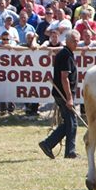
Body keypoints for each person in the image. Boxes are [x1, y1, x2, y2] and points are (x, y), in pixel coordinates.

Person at [38, 29, 80, 159]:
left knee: (68, 123)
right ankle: (69, 151)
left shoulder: (66, 53)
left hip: (60, 93)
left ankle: (48, 144)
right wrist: (69, 98)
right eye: (74, 41)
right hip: (63, 94)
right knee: (72, 123)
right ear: (67, 41)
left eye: (77, 41)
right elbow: (64, 78)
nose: (76, 43)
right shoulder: (66, 55)